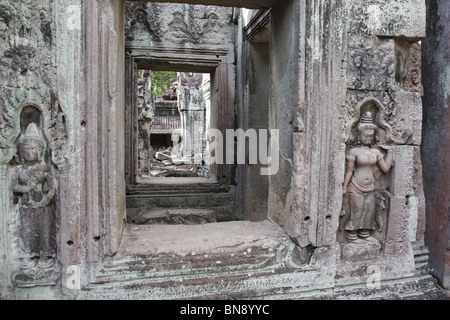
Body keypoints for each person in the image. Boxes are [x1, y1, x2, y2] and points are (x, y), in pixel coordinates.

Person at [342, 111, 394, 242]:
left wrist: (391, 152)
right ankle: (352, 235)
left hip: (370, 186)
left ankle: (365, 234)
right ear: (359, 136)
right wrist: (344, 186)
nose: (368, 138)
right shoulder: (354, 151)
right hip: (355, 185)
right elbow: (349, 171)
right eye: (365, 135)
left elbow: (386, 169)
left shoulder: (375, 152)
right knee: (357, 210)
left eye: (371, 136)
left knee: (369, 211)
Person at [11, 123, 56, 269]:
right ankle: (28, 255)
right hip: (26, 207)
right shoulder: (20, 169)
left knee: (44, 230)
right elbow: (14, 187)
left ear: (39, 151)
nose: (29, 152)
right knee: (27, 232)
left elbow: (52, 189)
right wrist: (26, 188)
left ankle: (45, 255)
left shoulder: (45, 168)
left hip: (42, 206)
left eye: (32, 149)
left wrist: (43, 201)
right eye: (26, 150)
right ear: (21, 153)